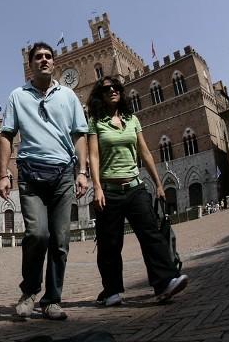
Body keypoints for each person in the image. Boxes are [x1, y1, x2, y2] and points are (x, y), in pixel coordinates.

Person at [0, 42, 89, 321]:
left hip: (63, 174)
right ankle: (29, 291)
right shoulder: (17, 95)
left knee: (60, 241)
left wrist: (82, 171)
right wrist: (2, 173)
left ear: (54, 63)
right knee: (38, 235)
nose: (44, 60)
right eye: (38, 57)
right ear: (31, 64)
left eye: (48, 56)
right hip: (30, 173)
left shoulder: (68, 96)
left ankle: (52, 300)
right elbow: (6, 134)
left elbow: (80, 134)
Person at [87, 76, 189, 307]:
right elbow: (93, 156)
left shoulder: (132, 119)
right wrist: (98, 188)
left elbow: (145, 153)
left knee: (151, 234)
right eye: (106, 89)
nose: (112, 91)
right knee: (110, 243)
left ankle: (164, 283)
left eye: (115, 88)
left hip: (135, 187)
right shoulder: (96, 123)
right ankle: (111, 291)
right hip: (109, 190)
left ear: (121, 92)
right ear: (100, 96)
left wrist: (158, 183)